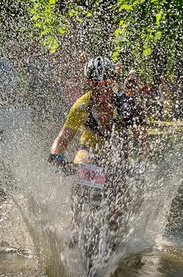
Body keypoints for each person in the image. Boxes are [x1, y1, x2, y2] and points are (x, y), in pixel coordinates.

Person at [48, 56, 150, 249]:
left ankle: (113, 240)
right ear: (88, 84)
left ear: (112, 83)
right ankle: (76, 226)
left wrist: (143, 162)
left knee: (117, 204)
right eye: (94, 85)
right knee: (82, 170)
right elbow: (63, 138)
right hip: (90, 150)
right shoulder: (82, 105)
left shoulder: (124, 104)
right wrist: (57, 155)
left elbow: (143, 139)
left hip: (119, 153)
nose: (100, 90)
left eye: (105, 85)